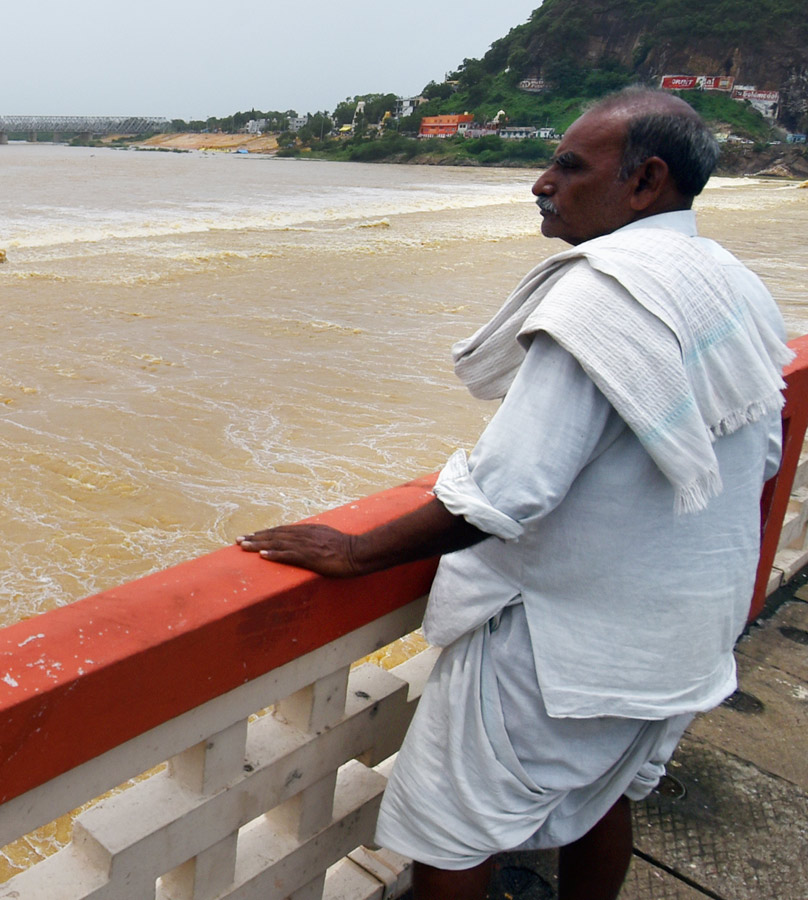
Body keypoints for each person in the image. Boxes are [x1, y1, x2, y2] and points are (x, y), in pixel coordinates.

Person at [237, 87, 791, 900]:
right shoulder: (730, 282)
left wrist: (354, 549)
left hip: (564, 653)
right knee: (600, 800)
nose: (542, 181)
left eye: (569, 165)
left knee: (453, 832)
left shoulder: (606, 302)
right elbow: (766, 454)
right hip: (685, 632)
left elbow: (505, 491)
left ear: (646, 182)